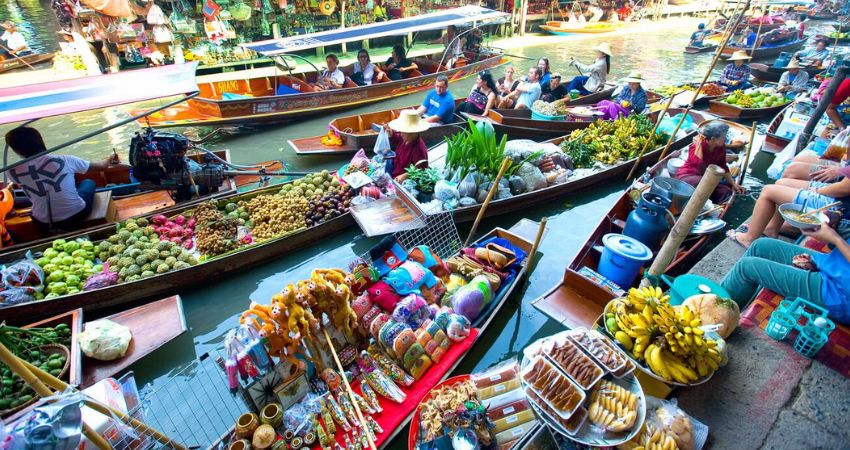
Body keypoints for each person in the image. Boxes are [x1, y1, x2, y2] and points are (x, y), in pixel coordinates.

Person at [721, 228, 850, 324]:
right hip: (836, 265)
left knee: (746, 268)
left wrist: (836, 239)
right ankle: (728, 306)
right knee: (761, 245)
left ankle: (715, 319)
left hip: (838, 292)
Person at [6, 127, 118, 231]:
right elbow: (102, 166)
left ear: (16, 150)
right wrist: (110, 157)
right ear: (40, 141)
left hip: (42, 222)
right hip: (77, 214)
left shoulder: (11, 171)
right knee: (88, 182)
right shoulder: (66, 160)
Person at [727, 176, 850, 248]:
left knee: (768, 191)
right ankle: (770, 230)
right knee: (781, 183)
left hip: (841, 205)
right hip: (842, 197)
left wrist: (818, 190)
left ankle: (749, 239)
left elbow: (845, 188)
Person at [674, 121, 745, 204]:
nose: (725, 139)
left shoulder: (720, 147)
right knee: (704, 182)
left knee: (726, 191)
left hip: (707, 180)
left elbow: (723, 166)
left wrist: (733, 184)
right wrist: (699, 144)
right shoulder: (695, 146)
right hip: (688, 177)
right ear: (713, 139)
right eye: (724, 137)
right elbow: (699, 165)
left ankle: (706, 203)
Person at [384, 110, 429, 179]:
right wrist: (391, 134)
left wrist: (404, 176)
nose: (401, 133)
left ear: (413, 132)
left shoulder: (419, 149)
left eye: (404, 131)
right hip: (394, 168)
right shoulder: (405, 138)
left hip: (400, 178)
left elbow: (421, 169)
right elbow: (397, 138)